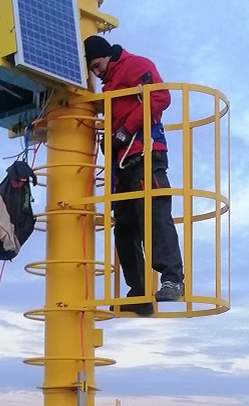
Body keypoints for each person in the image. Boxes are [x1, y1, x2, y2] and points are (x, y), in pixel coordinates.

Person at [84, 35, 184, 316]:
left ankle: (173, 279)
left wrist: (125, 129)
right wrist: (112, 141)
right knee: (125, 228)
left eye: (97, 64)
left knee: (154, 217)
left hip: (145, 155)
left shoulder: (133, 65)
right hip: (123, 164)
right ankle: (138, 291)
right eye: (91, 68)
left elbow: (161, 97)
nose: (96, 71)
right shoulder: (109, 86)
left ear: (108, 56)